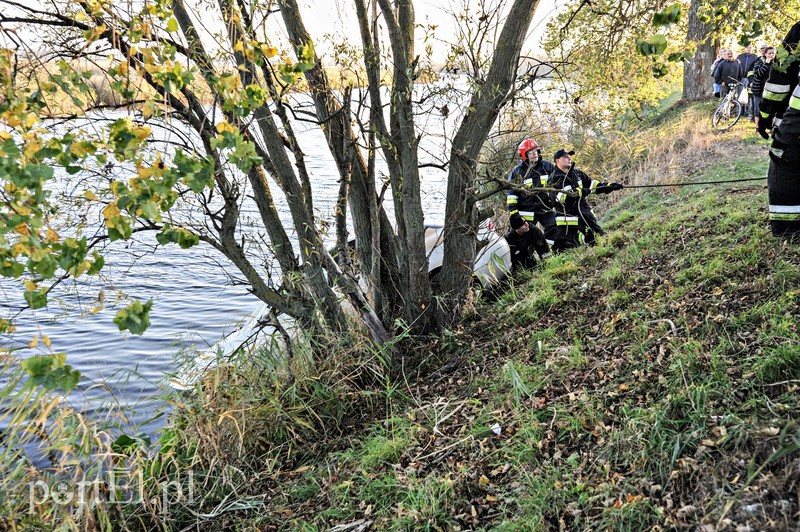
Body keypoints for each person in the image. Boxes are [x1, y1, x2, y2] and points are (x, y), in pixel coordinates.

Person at [757, 21, 800, 239]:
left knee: (783, 160)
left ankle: (789, 229)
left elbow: (780, 77)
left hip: (796, 120)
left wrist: (764, 115)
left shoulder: (798, 33)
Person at [547, 148, 623, 250]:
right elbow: (558, 198)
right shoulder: (553, 179)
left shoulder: (577, 173)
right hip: (568, 218)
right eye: (565, 157)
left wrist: (609, 186)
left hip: (584, 212)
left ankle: (607, 249)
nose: (569, 158)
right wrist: (580, 192)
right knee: (564, 247)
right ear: (557, 161)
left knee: (598, 235)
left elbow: (592, 185)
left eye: (569, 156)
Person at [505, 138, 558, 244]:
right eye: (531, 152)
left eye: (536, 150)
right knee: (524, 236)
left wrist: (554, 202)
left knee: (554, 226)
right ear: (524, 155)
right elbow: (511, 194)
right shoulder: (518, 171)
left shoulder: (547, 166)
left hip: (545, 208)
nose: (535, 154)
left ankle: (551, 254)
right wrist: (515, 214)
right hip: (526, 210)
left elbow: (557, 185)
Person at [750, 46, 775, 128]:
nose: (771, 55)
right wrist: (766, 64)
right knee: (758, 109)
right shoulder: (759, 62)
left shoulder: (776, 63)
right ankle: (757, 127)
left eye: (773, 53)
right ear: (765, 54)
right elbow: (758, 74)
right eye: (769, 53)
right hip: (759, 89)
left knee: (770, 109)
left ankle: (770, 127)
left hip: (770, 89)